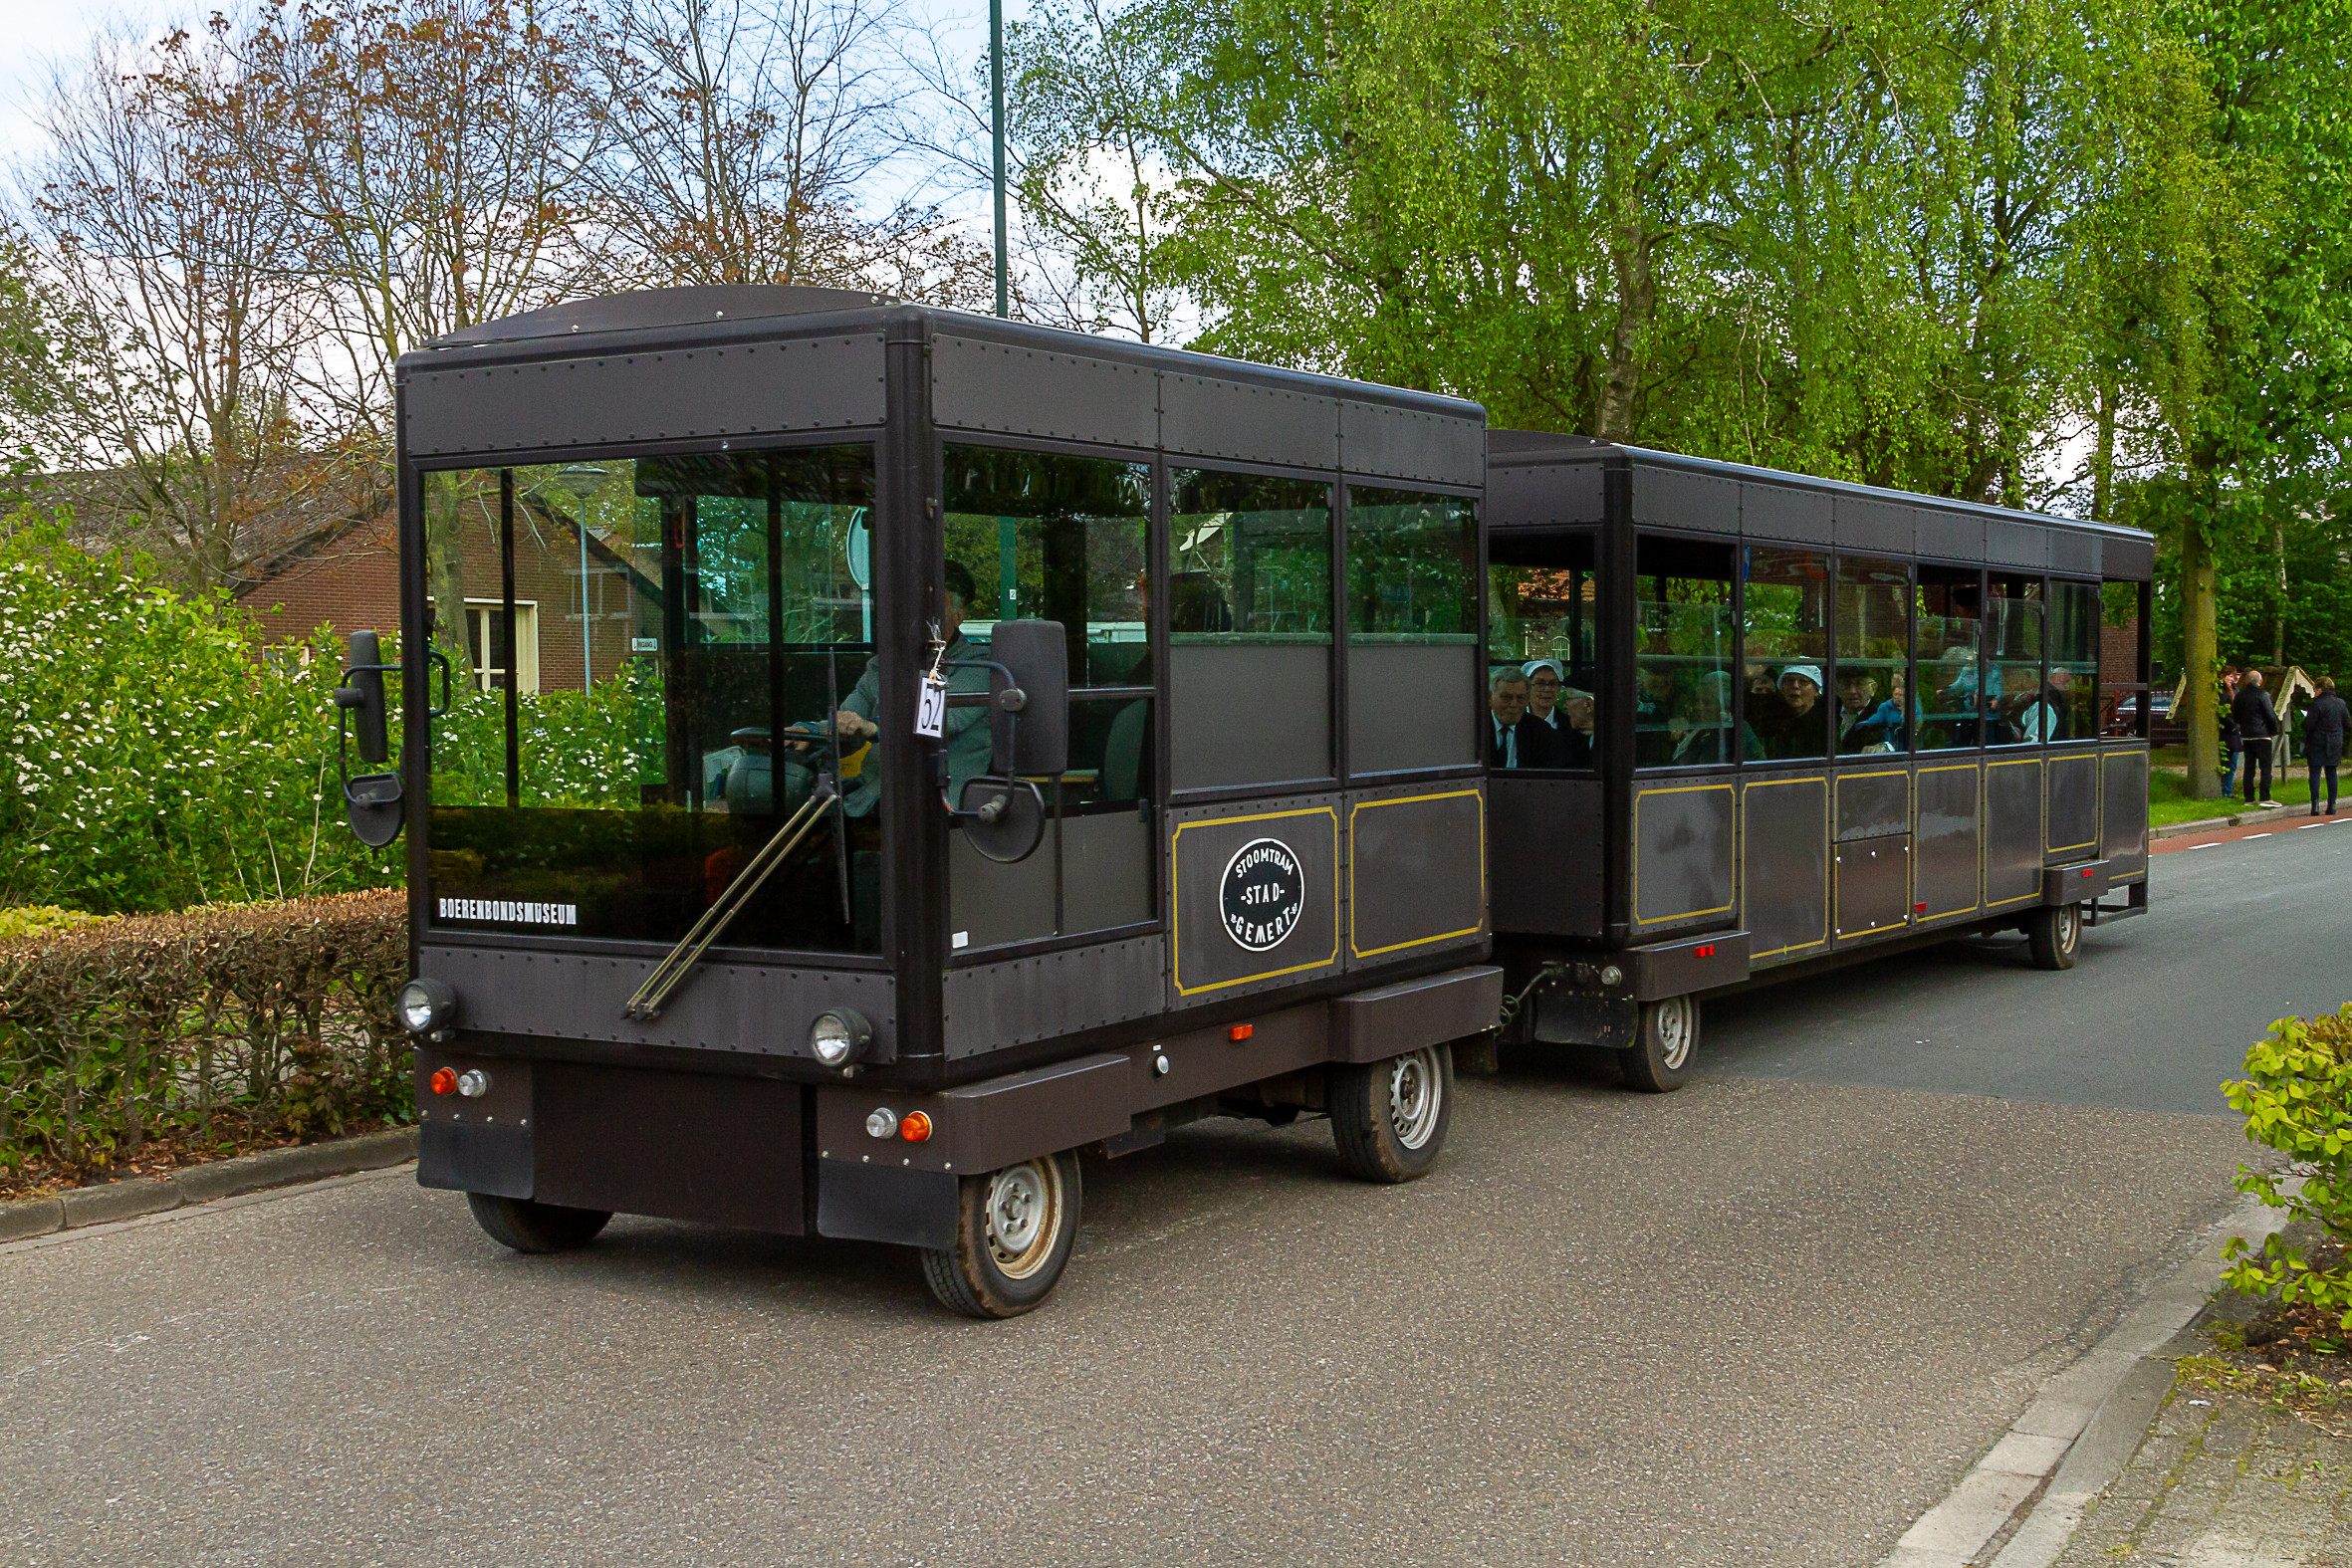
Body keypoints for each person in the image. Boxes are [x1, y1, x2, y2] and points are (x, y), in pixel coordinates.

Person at [823, 560, 994, 813]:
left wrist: (872, 727)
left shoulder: (978, 667)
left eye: (934, 609)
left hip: (939, 806)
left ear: (959, 615)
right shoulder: (882, 666)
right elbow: (848, 716)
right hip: (874, 795)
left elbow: (936, 721)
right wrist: (810, 730)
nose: (921, 618)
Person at [2232, 667, 2281, 807]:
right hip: (2262, 735)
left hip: (2247, 735)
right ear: (2261, 680)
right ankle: (2265, 797)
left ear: (2246, 680)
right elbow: (2270, 714)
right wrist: (2273, 731)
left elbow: (2236, 715)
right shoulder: (2263, 694)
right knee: (2265, 767)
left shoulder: (2240, 695)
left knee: (2249, 767)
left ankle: (2249, 797)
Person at [1753, 663, 1825, 759]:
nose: (1795, 686)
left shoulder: (1824, 726)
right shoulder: (1772, 720)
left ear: (1816, 690)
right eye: (1790, 681)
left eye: (1803, 681)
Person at [2304, 675, 2347, 816]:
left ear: (2321, 689)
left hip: (2317, 741)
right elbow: (2347, 723)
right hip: (2335, 741)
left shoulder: (2317, 704)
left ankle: (2315, 805)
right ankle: (2332, 805)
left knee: (2315, 772)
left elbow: (2309, 725)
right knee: (2331, 772)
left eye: (2315, 689)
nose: (2314, 692)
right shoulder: (2340, 703)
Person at [1835, 670, 1903, 754]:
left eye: (1859, 684)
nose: (1852, 691)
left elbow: (1893, 741)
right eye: (1846, 685)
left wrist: (1883, 747)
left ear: (1873, 689)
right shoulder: (1828, 710)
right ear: (1837, 690)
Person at [1489, 668, 1531, 768]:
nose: (1513, 704)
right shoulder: (1474, 728)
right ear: (1490, 697)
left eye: (1520, 698)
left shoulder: (1540, 732)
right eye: (1506, 697)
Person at [2219, 665, 2242, 794]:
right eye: (2230, 676)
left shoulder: (2232, 691)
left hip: (2233, 731)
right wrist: (2233, 724)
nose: (2233, 679)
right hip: (2229, 732)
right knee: (2229, 763)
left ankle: (2227, 789)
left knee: (2232, 764)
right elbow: (2223, 712)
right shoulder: (2223, 693)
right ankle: (2225, 790)